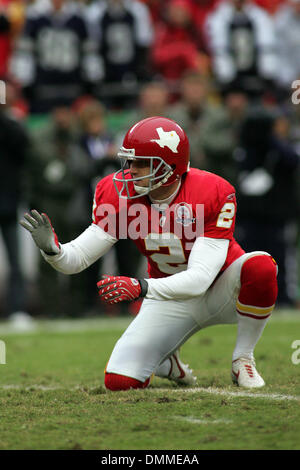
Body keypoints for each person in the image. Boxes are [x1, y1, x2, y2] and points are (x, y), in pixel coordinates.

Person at [20, 116, 278, 391]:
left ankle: (243, 358)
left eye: (142, 162)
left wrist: (139, 286)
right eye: (129, 161)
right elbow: (77, 259)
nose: (131, 170)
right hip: (169, 295)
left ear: (170, 167)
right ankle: (167, 361)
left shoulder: (211, 191)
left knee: (261, 266)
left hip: (223, 289)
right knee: (119, 382)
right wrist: (52, 249)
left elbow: (201, 278)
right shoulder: (120, 195)